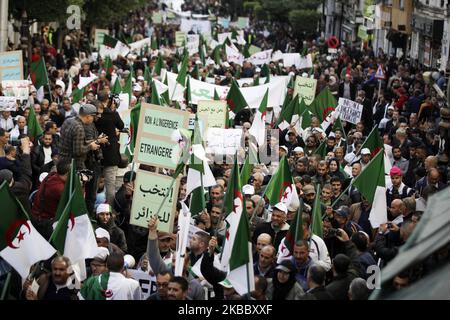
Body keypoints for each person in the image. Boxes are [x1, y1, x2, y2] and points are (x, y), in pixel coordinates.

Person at [95, 91, 124, 205]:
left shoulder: (94, 114)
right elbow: (121, 126)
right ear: (109, 100)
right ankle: (109, 210)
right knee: (110, 186)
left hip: (96, 153)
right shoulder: (112, 114)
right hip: (110, 155)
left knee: (92, 186)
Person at [31, 159, 71, 239]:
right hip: (44, 222)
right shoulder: (59, 188)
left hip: (37, 216)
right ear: (68, 173)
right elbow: (73, 203)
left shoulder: (51, 175)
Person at [58, 104, 105, 170]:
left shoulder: (68, 120)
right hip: (72, 166)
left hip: (61, 161)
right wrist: (91, 146)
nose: (93, 119)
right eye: (93, 117)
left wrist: (96, 140)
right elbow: (78, 151)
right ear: (88, 117)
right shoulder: (79, 128)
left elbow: (74, 142)